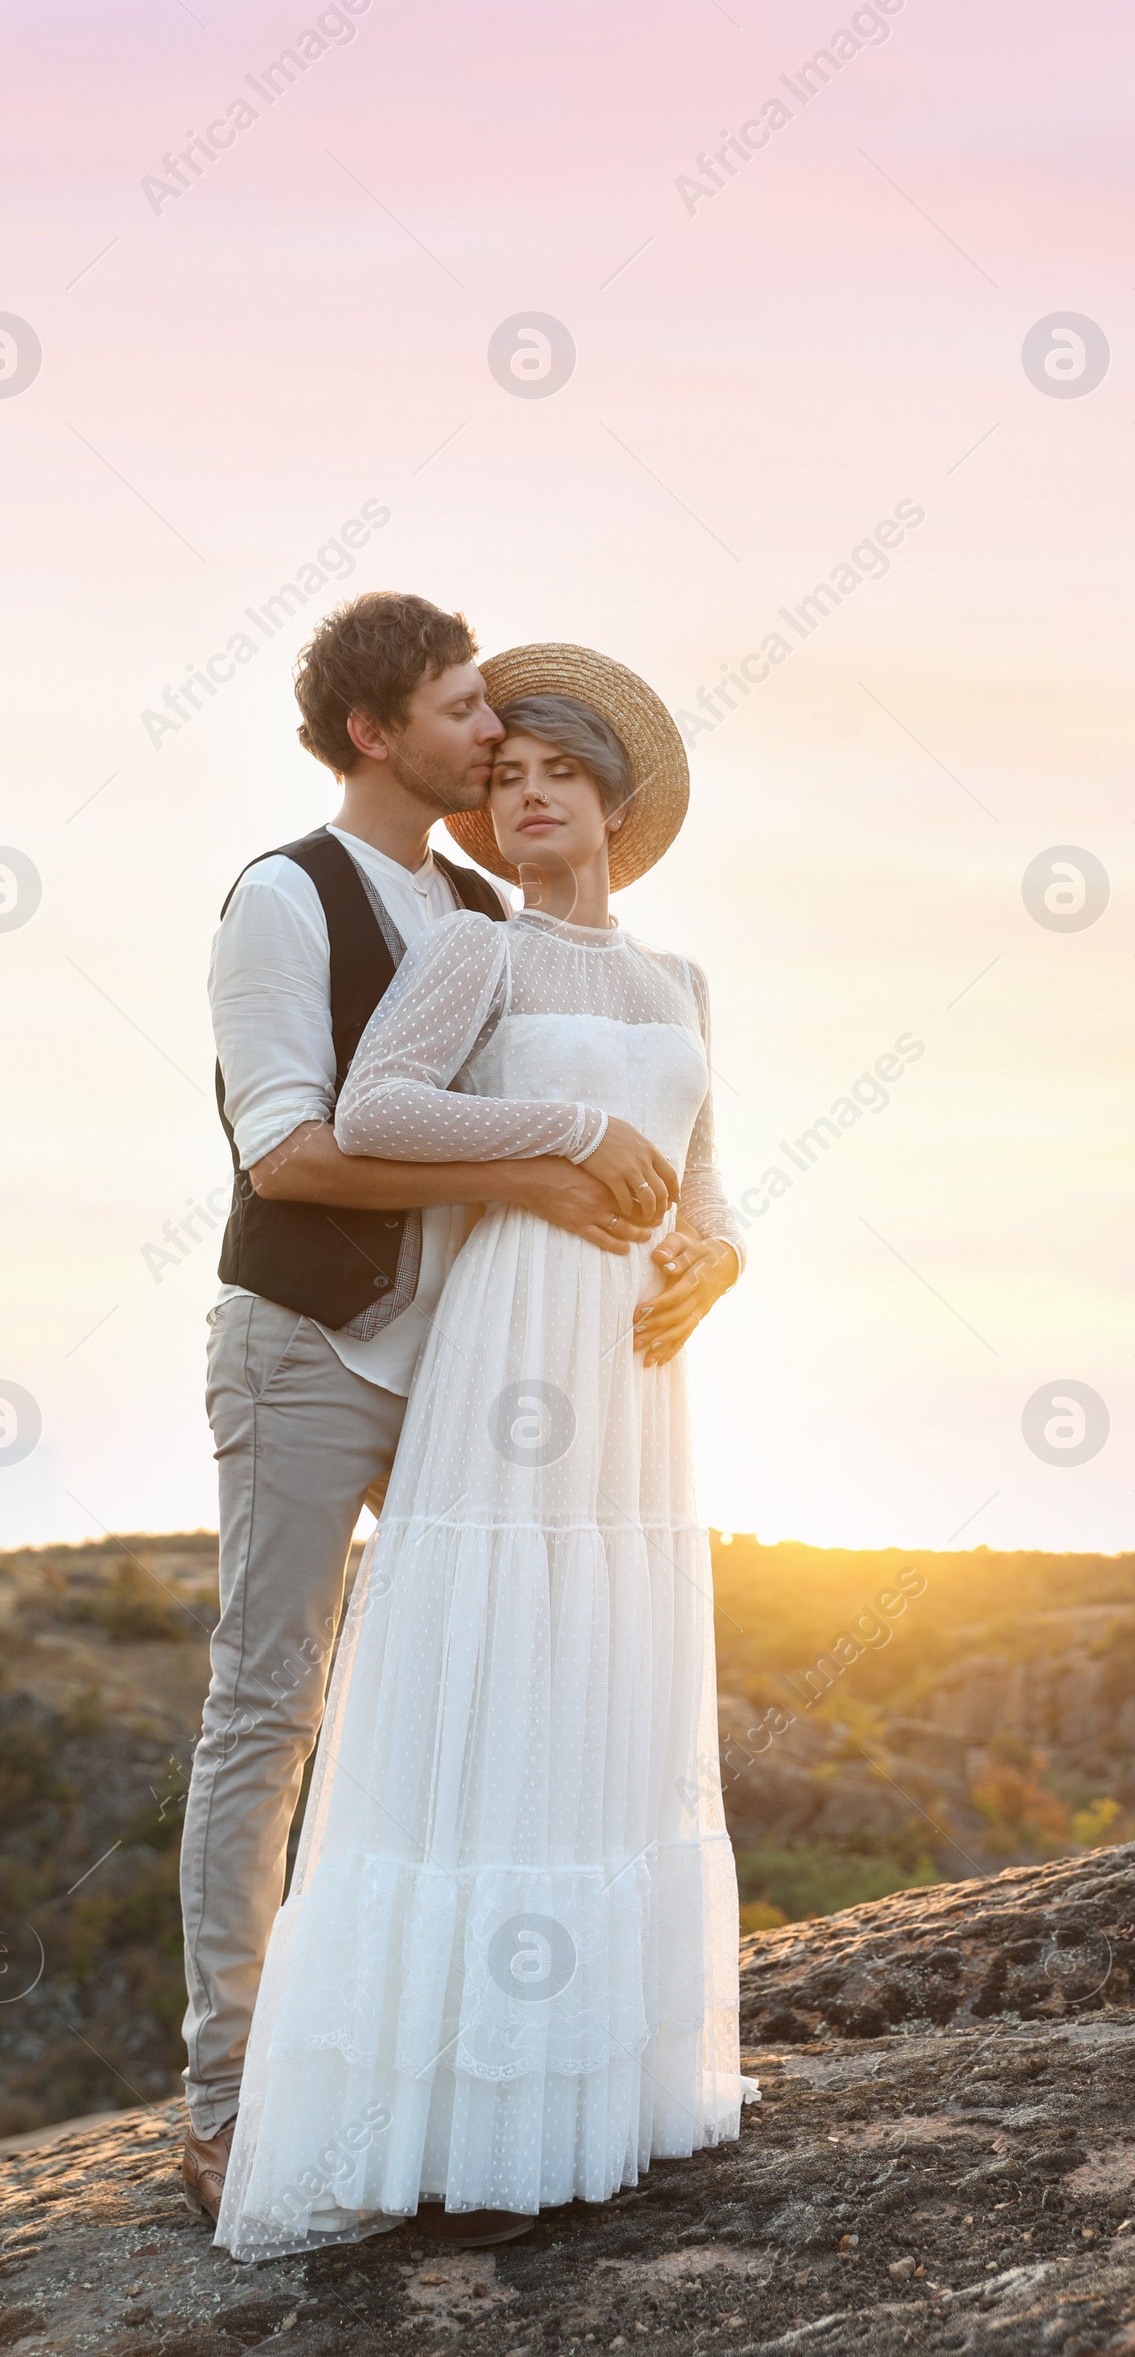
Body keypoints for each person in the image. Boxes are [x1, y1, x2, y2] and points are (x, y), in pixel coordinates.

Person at [214, 641, 747, 2259]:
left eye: (551, 778)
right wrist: (568, 1135)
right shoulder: (467, 949)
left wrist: (719, 1255)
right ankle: (416, 2101)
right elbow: (369, 1116)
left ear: (616, 803)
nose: (519, 799)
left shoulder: (683, 983)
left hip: (631, 1379)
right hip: (507, 1338)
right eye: (501, 775)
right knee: (476, 1663)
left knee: (593, 1672)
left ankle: (581, 2085)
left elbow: (705, 1175)